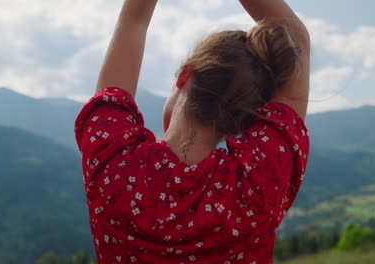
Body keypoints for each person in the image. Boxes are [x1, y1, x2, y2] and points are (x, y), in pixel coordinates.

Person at [75, 0, 310, 263]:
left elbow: (134, 20)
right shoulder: (258, 181)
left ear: (184, 75)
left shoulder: (113, 161)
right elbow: (295, 36)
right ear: (246, 119)